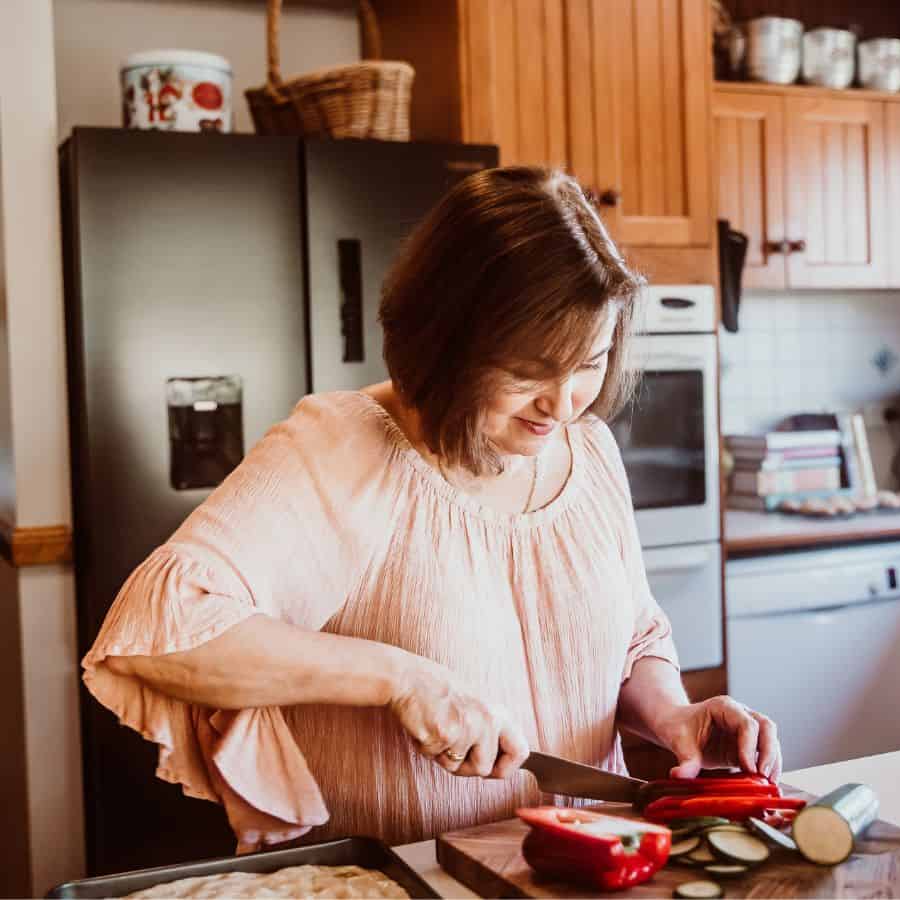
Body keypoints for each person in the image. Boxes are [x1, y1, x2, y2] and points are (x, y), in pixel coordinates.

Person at [81, 166, 782, 853]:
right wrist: (399, 677)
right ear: (447, 342)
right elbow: (161, 631)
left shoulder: (590, 449)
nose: (563, 403)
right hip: (400, 880)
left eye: (591, 363)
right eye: (530, 370)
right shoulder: (341, 447)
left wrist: (674, 714)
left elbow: (630, 637)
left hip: (587, 867)